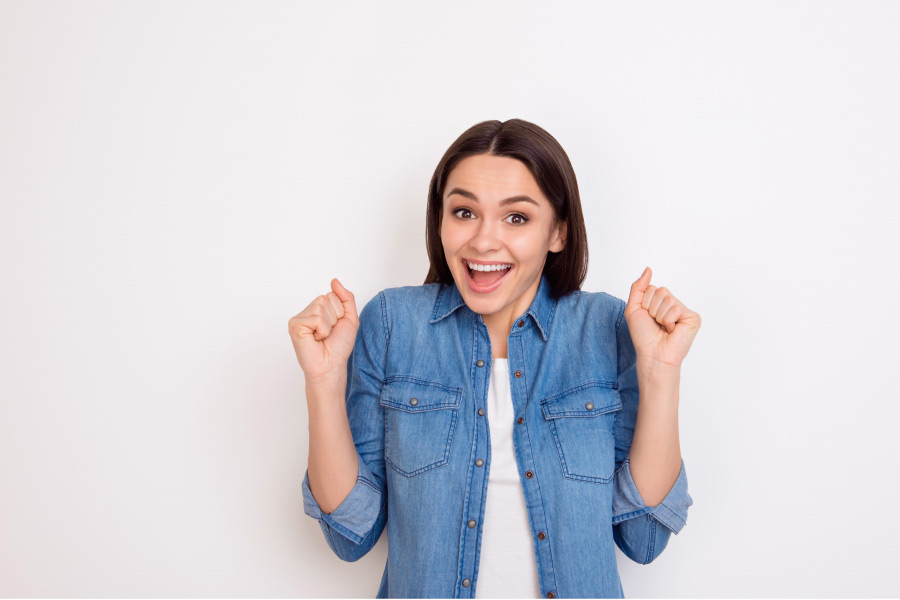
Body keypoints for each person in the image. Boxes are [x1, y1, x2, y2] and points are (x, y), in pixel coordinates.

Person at [288, 119, 700, 599]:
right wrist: (322, 379)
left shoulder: (607, 328)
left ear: (558, 232)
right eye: (464, 212)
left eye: (516, 218)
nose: (483, 241)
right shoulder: (392, 323)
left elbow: (644, 538)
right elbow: (348, 534)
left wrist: (660, 371)